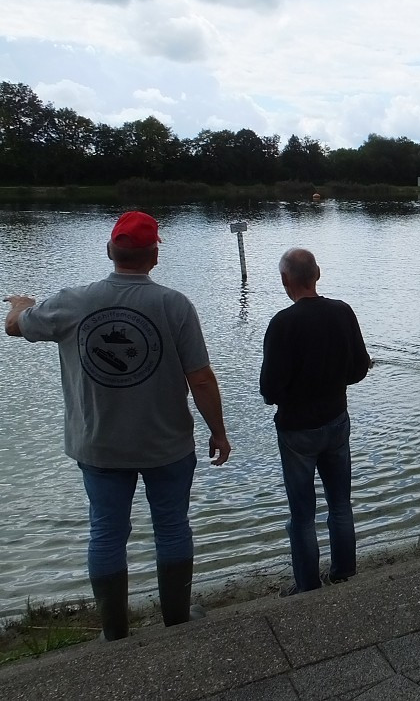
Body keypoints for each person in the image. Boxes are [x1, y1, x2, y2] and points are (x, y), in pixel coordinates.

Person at [2, 211, 231, 641]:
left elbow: (15, 327)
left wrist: (22, 305)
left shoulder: (72, 301)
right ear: (154, 256)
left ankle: (115, 634)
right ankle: (177, 622)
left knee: (106, 532)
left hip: (100, 447)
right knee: (173, 527)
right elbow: (200, 377)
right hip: (168, 445)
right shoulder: (175, 304)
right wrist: (218, 432)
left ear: (110, 251)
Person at [260, 248, 371, 595]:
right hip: (337, 420)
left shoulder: (283, 323)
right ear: (317, 273)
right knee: (341, 503)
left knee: (302, 514)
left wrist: (285, 395)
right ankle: (343, 573)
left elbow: (269, 388)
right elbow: (359, 367)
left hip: (297, 430)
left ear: (285, 279)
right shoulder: (342, 312)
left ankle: (307, 585)